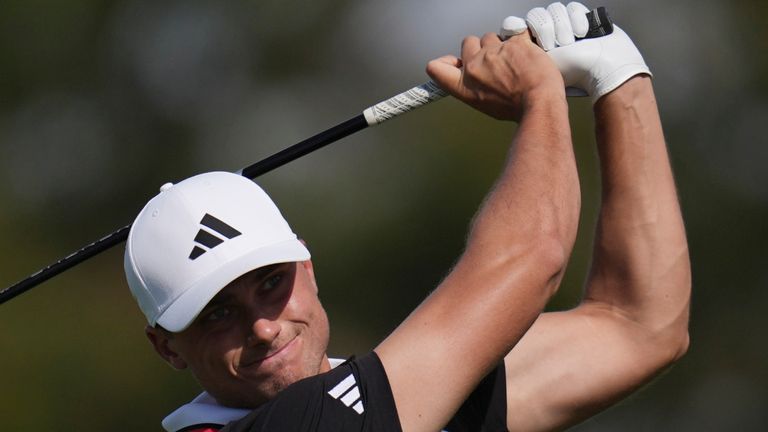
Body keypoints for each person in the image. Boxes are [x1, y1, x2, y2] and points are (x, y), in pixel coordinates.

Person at [124, 3, 691, 431]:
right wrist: (539, 96)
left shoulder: (397, 396)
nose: (264, 327)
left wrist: (619, 78)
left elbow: (637, 327)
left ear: (308, 266)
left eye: (271, 284)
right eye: (217, 314)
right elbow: (532, 258)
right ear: (167, 347)